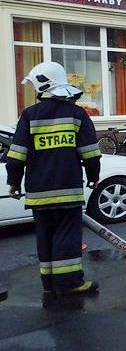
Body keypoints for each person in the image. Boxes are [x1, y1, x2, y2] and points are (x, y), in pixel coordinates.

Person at [6, 62, 101, 298]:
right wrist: (93, 177)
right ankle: (69, 282)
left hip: (38, 193)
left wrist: (14, 182)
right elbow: (90, 153)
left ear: (42, 85)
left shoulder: (29, 115)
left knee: (45, 236)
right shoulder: (77, 114)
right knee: (67, 235)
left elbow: (16, 155)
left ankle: (49, 283)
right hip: (68, 190)